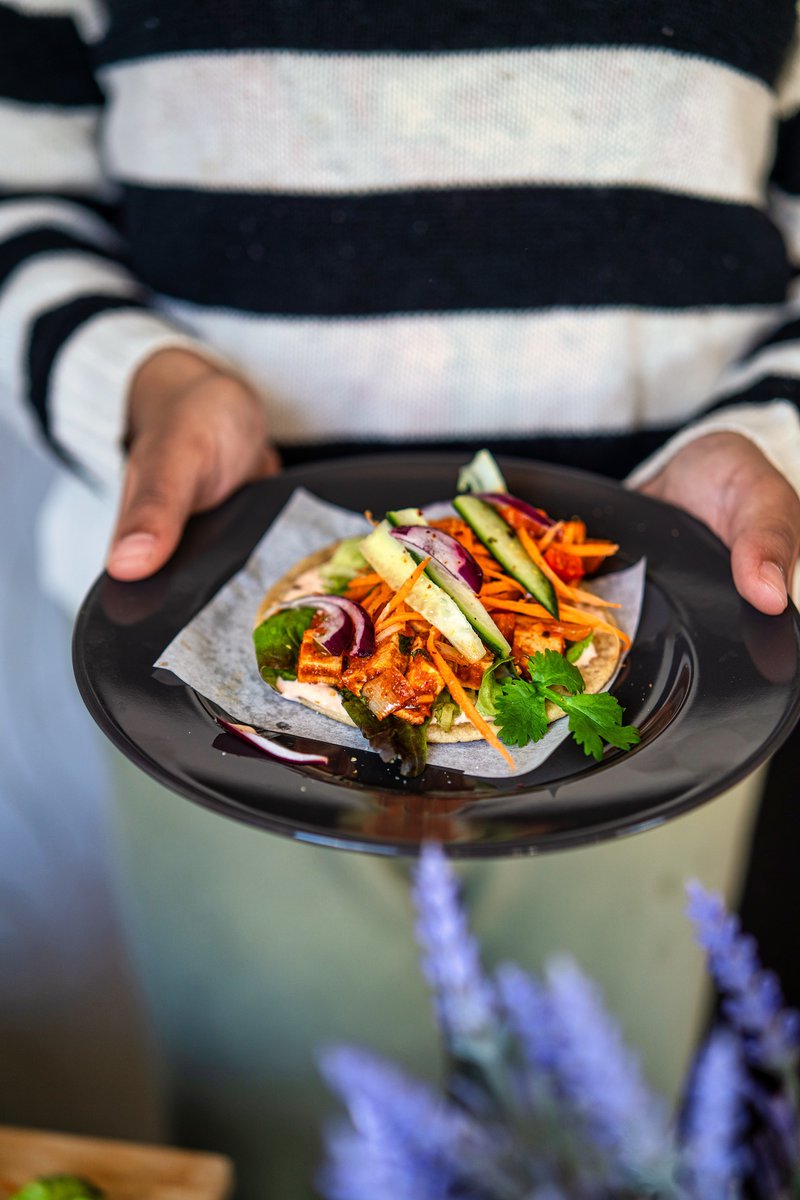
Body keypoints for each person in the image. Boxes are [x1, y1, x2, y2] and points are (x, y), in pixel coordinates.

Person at [2, 3, 800, 1197]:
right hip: (205, 681)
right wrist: (145, 382)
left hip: (656, 678)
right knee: (289, 1154)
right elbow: (21, 191)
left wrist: (771, 433)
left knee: (605, 1158)